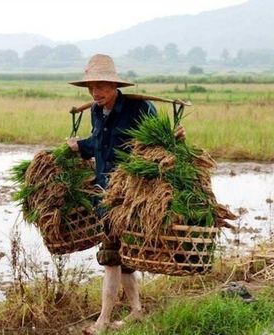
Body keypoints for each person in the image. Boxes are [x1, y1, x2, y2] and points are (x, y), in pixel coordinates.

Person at [67, 54, 185, 334]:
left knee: (112, 258)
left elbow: (158, 142)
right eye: (92, 87)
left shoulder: (139, 108)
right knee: (121, 257)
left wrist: (176, 136)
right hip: (105, 196)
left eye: (102, 86)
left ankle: (103, 321)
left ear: (114, 86)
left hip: (132, 196)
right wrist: (78, 146)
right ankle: (136, 311)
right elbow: (98, 143)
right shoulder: (96, 110)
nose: (96, 92)